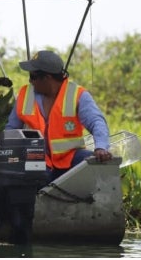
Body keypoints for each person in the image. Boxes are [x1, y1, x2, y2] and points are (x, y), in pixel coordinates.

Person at [6, 50, 113, 182]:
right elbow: (10, 130)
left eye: (33, 77)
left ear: (47, 78)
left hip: (70, 157)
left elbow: (96, 122)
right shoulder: (24, 94)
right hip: (37, 158)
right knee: (35, 178)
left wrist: (101, 147)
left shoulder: (77, 94)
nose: (30, 81)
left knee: (92, 165)